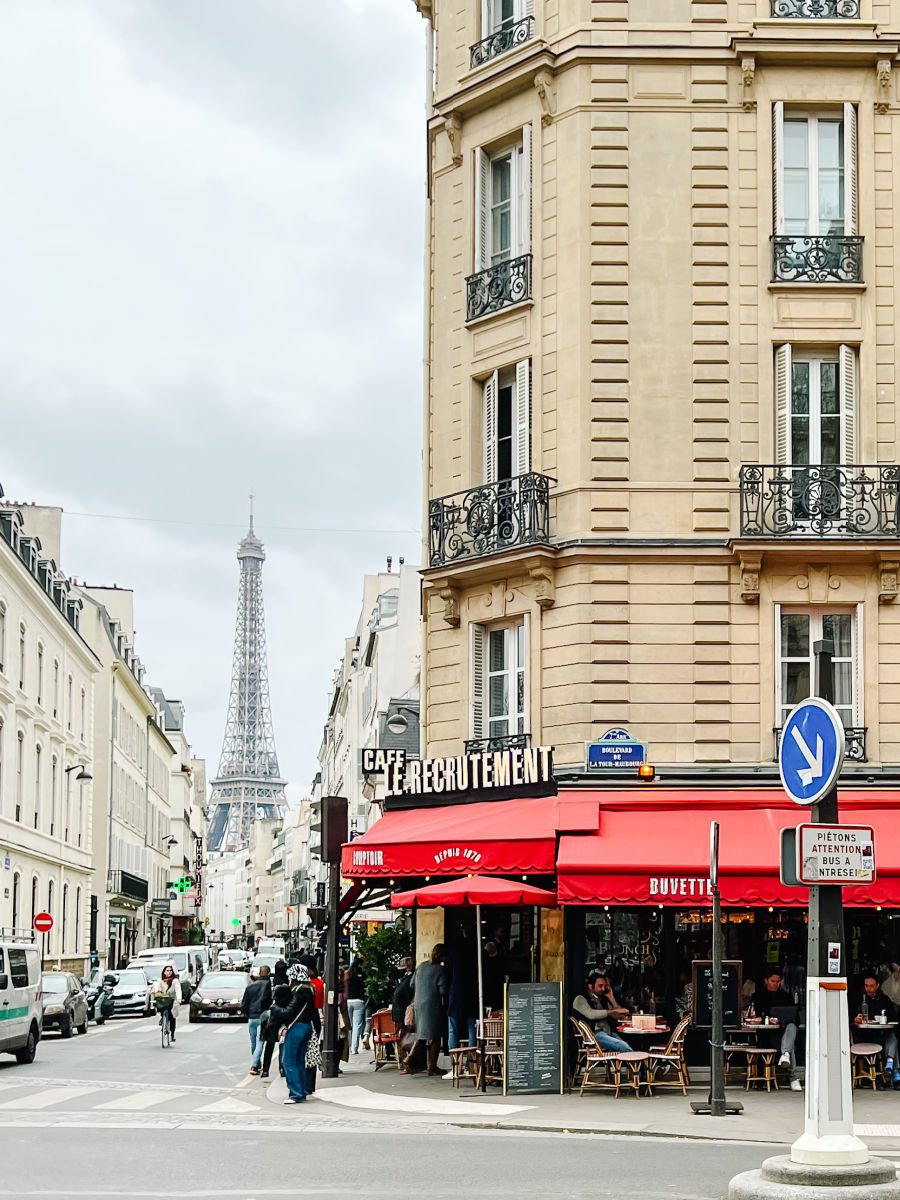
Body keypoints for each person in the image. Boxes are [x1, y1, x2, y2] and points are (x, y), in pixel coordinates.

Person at [268, 981, 319, 1104]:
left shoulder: (298, 992)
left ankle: (295, 1093)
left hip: (295, 1027)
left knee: (289, 1061)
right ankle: (301, 1090)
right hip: (307, 1026)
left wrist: (274, 1007)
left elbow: (288, 1013)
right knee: (299, 1061)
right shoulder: (309, 990)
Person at [752, 968, 802, 1091]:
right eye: (772, 981)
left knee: (791, 1026)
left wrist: (782, 1021)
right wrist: (768, 1018)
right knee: (790, 1048)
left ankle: (785, 1054)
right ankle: (793, 1077)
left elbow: (795, 1018)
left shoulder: (786, 997)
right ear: (766, 981)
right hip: (769, 1035)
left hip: (785, 1032)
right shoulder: (758, 997)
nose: (775, 984)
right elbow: (756, 1015)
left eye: (778, 981)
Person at [853, 972, 900, 1087]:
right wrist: (856, 1018)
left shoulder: (884, 999)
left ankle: (889, 1067)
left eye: (872, 985)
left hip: (881, 1034)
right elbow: (850, 1016)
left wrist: (884, 1018)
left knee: (893, 1036)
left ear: (878, 985)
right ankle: (895, 1073)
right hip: (865, 1036)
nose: (869, 989)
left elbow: (893, 1017)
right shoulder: (859, 999)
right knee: (893, 1042)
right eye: (867, 986)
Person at [572, 973, 632, 1053]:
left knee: (627, 1046)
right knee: (623, 1046)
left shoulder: (603, 998)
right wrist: (614, 1011)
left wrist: (611, 997)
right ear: (591, 986)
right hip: (594, 1035)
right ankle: (637, 1065)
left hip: (608, 1033)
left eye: (605, 986)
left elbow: (618, 1016)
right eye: (600, 986)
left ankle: (629, 1065)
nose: (603, 989)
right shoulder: (580, 999)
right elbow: (591, 1014)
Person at [413, 944, 449, 1076]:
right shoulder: (440, 970)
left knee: (422, 1033)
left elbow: (412, 984)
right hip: (432, 1005)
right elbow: (443, 990)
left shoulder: (421, 966)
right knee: (434, 1035)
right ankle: (430, 1066)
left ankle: (424, 1064)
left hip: (419, 1003)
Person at [243, 964, 272, 1075]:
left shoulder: (250, 986)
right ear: (268, 973)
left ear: (260, 973)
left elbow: (244, 1004)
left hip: (252, 1017)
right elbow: (268, 1001)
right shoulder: (267, 985)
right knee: (260, 1042)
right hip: (262, 1016)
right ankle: (254, 1065)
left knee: (253, 1042)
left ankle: (257, 1062)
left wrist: (248, 1013)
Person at [391, 957, 416, 1071]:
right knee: (405, 1038)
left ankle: (408, 1062)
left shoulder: (410, 978)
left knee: (406, 1038)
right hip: (402, 1012)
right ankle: (407, 1062)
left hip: (405, 1012)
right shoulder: (407, 977)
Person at [152, 964, 181, 1042]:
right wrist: (156, 992)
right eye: (167, 970)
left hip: (172, 999)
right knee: (161, 1006)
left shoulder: (175, 981)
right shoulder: (160, 981)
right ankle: (162, 1017)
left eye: (170, 970)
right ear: (164, 972)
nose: (169, 972)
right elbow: (156, 987)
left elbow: (178, 990)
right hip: (163, 999)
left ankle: (172, 1034)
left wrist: (179, 999)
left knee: (172, 1017)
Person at [345, 959, 367, 1055]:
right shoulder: (363, 975)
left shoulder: (347, 975)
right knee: (357, 1026)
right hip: (359, 1001)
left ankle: (349, 1046)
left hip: (348, 1001)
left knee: (349, 1025)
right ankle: (354, 1048)